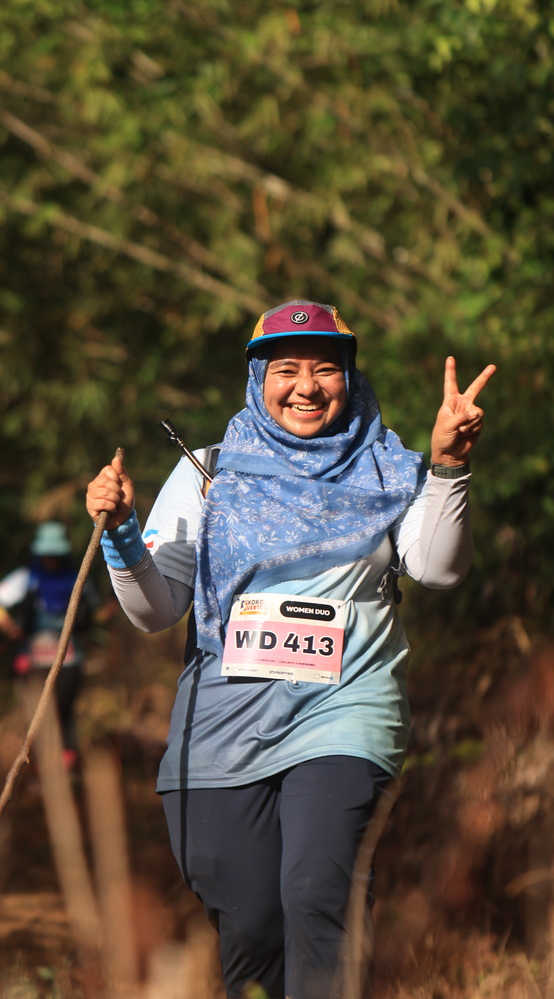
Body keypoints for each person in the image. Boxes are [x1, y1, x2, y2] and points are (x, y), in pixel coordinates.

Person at [85, 301, 496, 999]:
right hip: (220, 730)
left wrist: (450, 464)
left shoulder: (388, 469)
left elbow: (438, 568)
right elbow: (156, 610)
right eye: (287, 369)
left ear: (348, 376)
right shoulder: (209, 471)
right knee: (251, 925)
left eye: (325, 368)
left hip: (345, 713)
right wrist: (122, 531)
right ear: (257, 378)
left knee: (318, 894)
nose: (307, 386)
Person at [0, 520, 102, 771]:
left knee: (64, 710)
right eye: (47, 555)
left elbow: (96, 611)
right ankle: (39, 770)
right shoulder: (26, 579)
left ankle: (67, 767)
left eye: (56, 555)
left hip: (69, 656)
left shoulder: (78, 579)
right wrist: (10, 628)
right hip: (32, 656)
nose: (51, 560)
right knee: (36, 713)